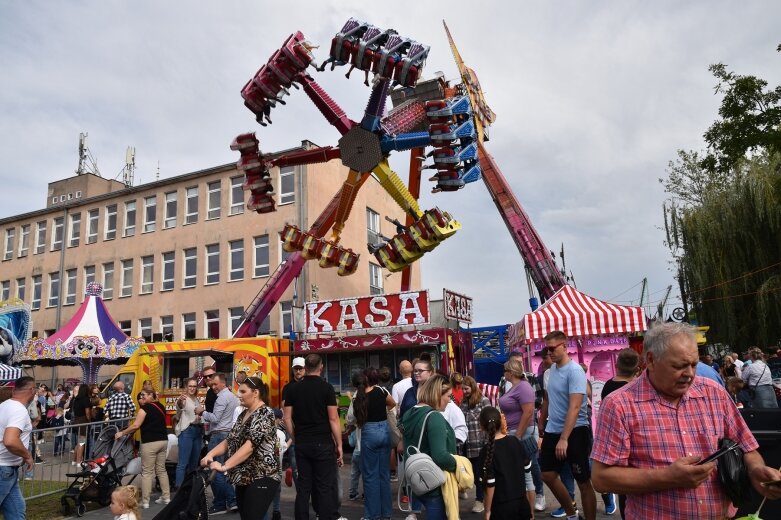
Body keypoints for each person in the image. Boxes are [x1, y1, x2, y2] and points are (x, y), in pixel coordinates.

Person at [592, 322, 781, 518]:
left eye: (694, 364)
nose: (690, 374)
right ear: (650, 360)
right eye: (679, 366)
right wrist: (666, 478)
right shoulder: (619, 404)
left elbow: (747, 446)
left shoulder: (713, 392)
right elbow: (601, 478)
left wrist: (756, 469)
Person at [538, 331, 597, 520]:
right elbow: (548, 398)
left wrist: (564, 438)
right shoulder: (551, 371)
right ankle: (572, 514)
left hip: (575, 431)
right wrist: (542, 420)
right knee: (547, 474)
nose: (549, 353)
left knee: (583, 481)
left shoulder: (575, 371)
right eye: (547, 349)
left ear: (564, 346)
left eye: (552, 348)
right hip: (552, 429)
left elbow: (575, 406)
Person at [202, 376, 280, 520]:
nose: (239, 395)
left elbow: (250, 446)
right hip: (243, 476)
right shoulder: (243, 414)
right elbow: (230, 440)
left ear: (255, 393)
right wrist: (210, 454)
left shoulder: (265, 413)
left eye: (243, 392)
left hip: (261, 476)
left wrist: (224, 466)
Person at [283, 353, 343, 520]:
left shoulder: (292, 389)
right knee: (324, 487)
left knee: (303, 487)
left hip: (302, 442)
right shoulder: (327, 388)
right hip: (323, 442)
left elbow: (286, 417)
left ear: (306, 367)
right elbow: (333, 418)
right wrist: (339, 444)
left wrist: (294, 437)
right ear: (321, 367)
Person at [401, 373, 457, 520]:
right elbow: (440, 456)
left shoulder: (409, 413)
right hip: (434, 485)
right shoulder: (434, 417)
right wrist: (460, 465)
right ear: (437, 394)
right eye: (448, 396)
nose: (450, 401)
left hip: (415, 482)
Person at [599, 348, 640, 518]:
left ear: (617, 365)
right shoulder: (634, 389)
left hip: (613, 443)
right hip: (633, 442)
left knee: (623, 489)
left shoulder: (608, 386)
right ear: (637, 369)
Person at [352, 367, 395, 520]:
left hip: (369, 433)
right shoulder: (382, 392)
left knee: (370, 477)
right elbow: (392, 404)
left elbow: (353, 418)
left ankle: (372, 515)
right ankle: (387, 513)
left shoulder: (359, 396)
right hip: (384, 431)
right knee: (384, 475)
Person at [497, 356, 539, 513]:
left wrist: (517, 436)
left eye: (505, 370)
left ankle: (530, 513)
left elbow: (528, 412)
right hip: (514, 432)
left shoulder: (523, 387)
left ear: (511, 372)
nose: (504, 373)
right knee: (520, 473)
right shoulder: (515, 387)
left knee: (526, 474)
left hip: (521, 433)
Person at [116, 390, 170, 508]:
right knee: (161, 470)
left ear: (151, 395)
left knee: (147, 472)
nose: (142, 397)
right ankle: (166, 497)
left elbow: (136, 425)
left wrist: (122, 433)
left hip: (150, 442)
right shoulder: (161, 406)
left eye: (144, 395)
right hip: (163, 440)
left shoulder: (144, 409)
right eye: (141, 396)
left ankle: (145, 501)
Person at [196, 373, 239, 514]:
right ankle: (231, 501)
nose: (213, 387)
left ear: (223, 383)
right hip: (228, 434)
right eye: (211, 384)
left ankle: (223, 502)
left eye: (215, 384)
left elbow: (215, 418)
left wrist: (202, 412)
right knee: (224, 469)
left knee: (216, 470)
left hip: (219, 435)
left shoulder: (221, 397)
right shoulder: (232, 396)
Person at [479, 406, 532, 520]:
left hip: (500, 508)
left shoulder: (486, 451)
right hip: (522, 503)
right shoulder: (514, 441)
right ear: (501, 421)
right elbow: (528, 467)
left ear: (482, 427)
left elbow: (490, 484)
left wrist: (487, 511)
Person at [0, 376, 36, 519]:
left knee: (17, 510)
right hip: (4, 468)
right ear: (32, 390)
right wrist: (27, 455)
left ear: (14, 390)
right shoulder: (19, 411)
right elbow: (10, 440)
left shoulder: (3, 406)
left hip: (8, 470)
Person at [460, 375, 491, 514]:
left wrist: (487, 443)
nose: (464, 391)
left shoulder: (484, 401)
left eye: (466, 388)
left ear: (472, 387)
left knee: (479, 474)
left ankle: (480, 500)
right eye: (462, 389)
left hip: (480, 445)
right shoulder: (463, 403)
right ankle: (485, 497)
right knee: (473, 475)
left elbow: (490, 422)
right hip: (467, 446)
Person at [281, 356, 306, 488]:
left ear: (305, 369)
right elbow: (285, 409)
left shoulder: (310, 384)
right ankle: (302, 492)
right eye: (295, 369)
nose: (298, 371)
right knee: (295, 464)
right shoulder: (288, 388)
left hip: (308, 430)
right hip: (294, 429)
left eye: (300, 368)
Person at [174, 377, 203, 488]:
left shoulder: (196, 399)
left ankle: (190, 489)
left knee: (194, 464)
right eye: (190, 386)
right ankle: (179, 491)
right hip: (187, 431)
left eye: (194, 386)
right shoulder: (183, 399)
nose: (192, 388)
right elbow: (180, 407)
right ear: (186, 387)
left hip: (197, 431)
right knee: (183, 463)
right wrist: (180, 401)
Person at [346, 371, 365, 502]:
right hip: (371, 442)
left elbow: (350, 418)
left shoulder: (356, 396)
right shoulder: (375, 392)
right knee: (367, 471)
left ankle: (353, 493)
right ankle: (366, 493)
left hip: (359, 442)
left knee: (355, 471)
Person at [71, 382, 93, 466]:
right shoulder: (85, 399)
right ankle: (79, 462)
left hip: (76, 421)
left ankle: (74, 460)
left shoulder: (76, 399)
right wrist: (89, 420)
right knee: (82, 442)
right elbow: (87, 412)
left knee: (79, 442)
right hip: (83, 421)